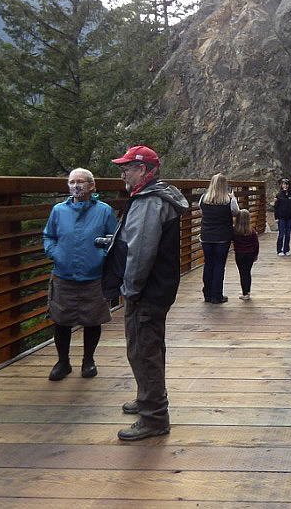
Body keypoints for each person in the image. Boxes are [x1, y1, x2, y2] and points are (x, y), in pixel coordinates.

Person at [103, 145, 189, 441]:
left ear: (144, 170)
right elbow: (135, 238)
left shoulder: (149, 201)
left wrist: (130, 290)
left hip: (146, 291)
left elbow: (140, 252)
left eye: (127, 167)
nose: (123, 173)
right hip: (157, 287)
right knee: (147, 346)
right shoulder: (155, 197)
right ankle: (146, 398)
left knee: (144, 350)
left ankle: (153, 417)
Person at [42, 168, 118, 381]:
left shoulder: (104, 211)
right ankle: (63, 362)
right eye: (72, 182)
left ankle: (88, 360)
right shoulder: (58, 210)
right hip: (63, 273)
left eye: (81, 182)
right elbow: (49, 235)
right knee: (61, 320)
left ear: (92, 186)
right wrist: (54, 253)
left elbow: (114, 239)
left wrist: (100, 256)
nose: (76, 186)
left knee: (92, 320)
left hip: (93, 274)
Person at [198, 173, 239, 303]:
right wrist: (234, 198)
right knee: (219, 266)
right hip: (222, 237)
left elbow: (201, 210)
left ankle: (207, 294)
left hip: (206, 236)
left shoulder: (204, 198)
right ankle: (217, 295)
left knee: (208, 264)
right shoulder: (228, 200)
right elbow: (236, 213)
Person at [232, 209, 259, 301]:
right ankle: (247, 292)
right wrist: (255, 255)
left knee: (242, 273)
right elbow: (256, 245)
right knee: (247, 272)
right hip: (250, 254)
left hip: (239, 254)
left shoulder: (234, 231)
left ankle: (245, 292)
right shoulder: (252, 231)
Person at [273, 177, 291, 256]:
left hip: (290, 217)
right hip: (281, 217)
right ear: (281, 185)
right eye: (283, 184)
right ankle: (279, 250)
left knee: (288, 234)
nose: (285, 186)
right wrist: (276, 218)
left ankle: (286, 249)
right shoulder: (279, 195)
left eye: (286, 184)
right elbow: (275, 207)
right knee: (281, 234)